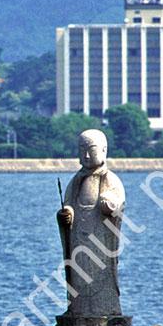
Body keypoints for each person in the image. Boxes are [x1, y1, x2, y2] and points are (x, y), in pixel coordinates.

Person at [57, 129, 125, 316]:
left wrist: (109, 204)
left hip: (101, 241)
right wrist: (66, 214)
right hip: (79, 240)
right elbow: (69, 204)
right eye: (82, 150)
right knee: (79, 276)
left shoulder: (110, 179)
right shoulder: (76, 182)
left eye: (92, 150)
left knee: (101, 277)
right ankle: (77, 307)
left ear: (103, 150)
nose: (86, 155)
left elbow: (117, 201)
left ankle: (106, 307)